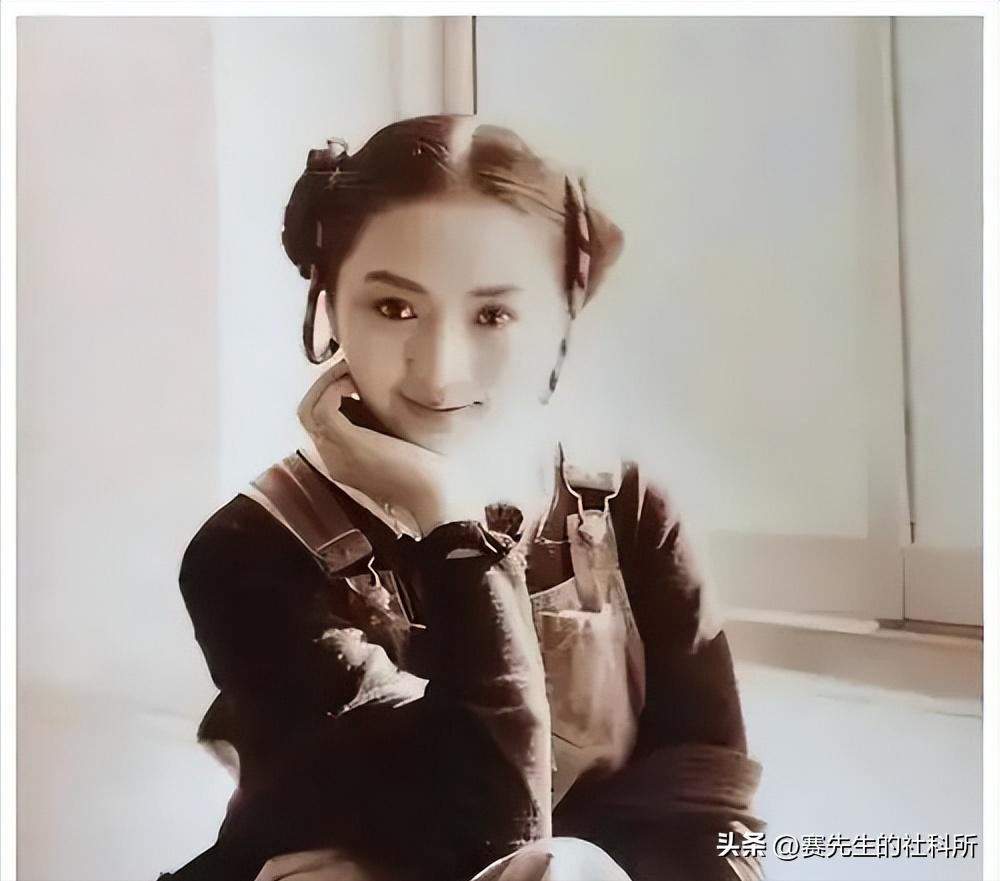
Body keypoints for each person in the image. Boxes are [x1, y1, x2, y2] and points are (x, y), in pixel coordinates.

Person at [158, 115, 764, 881]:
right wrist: (448, 517)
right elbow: (486, 827)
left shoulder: (627, 510)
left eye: (493, 314)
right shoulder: (250, 550)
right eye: (394, 307)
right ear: (329, 303)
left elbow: (713, 825)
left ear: (561, 313)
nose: (441, 370)